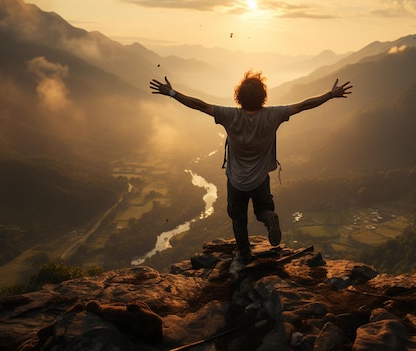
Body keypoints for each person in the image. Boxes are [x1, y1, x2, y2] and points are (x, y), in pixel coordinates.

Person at [150, 71, 352, 264]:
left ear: (239, 97)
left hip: (236, 181)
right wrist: (330, 95)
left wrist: (172, 93)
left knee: (238, 218)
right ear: (263, 97)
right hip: (260, 179)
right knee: (262, 209)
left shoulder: (229, 115)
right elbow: (304, 105)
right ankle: (269, 218)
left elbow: (199, 105)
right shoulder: (274, 115)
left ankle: (245, 255)